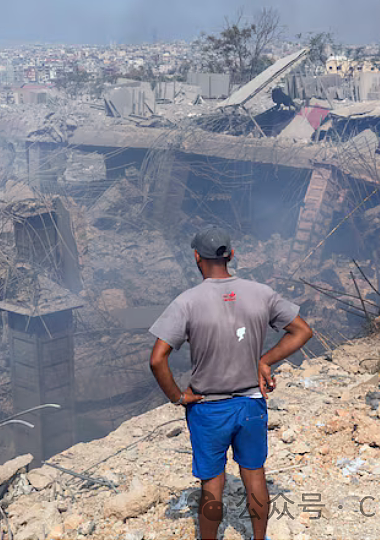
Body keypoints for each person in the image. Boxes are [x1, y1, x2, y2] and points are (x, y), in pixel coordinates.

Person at [149, 227, 313, 540]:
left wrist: (177, 397)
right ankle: (260, 538)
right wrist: (265, 360)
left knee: (212, 484)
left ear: (197, 257)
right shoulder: (261, 293)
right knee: (255, 476)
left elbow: (157, 359)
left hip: (208, 408)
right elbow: (302, 331)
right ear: (231, 256)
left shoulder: (187, 302)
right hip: (251, 403)